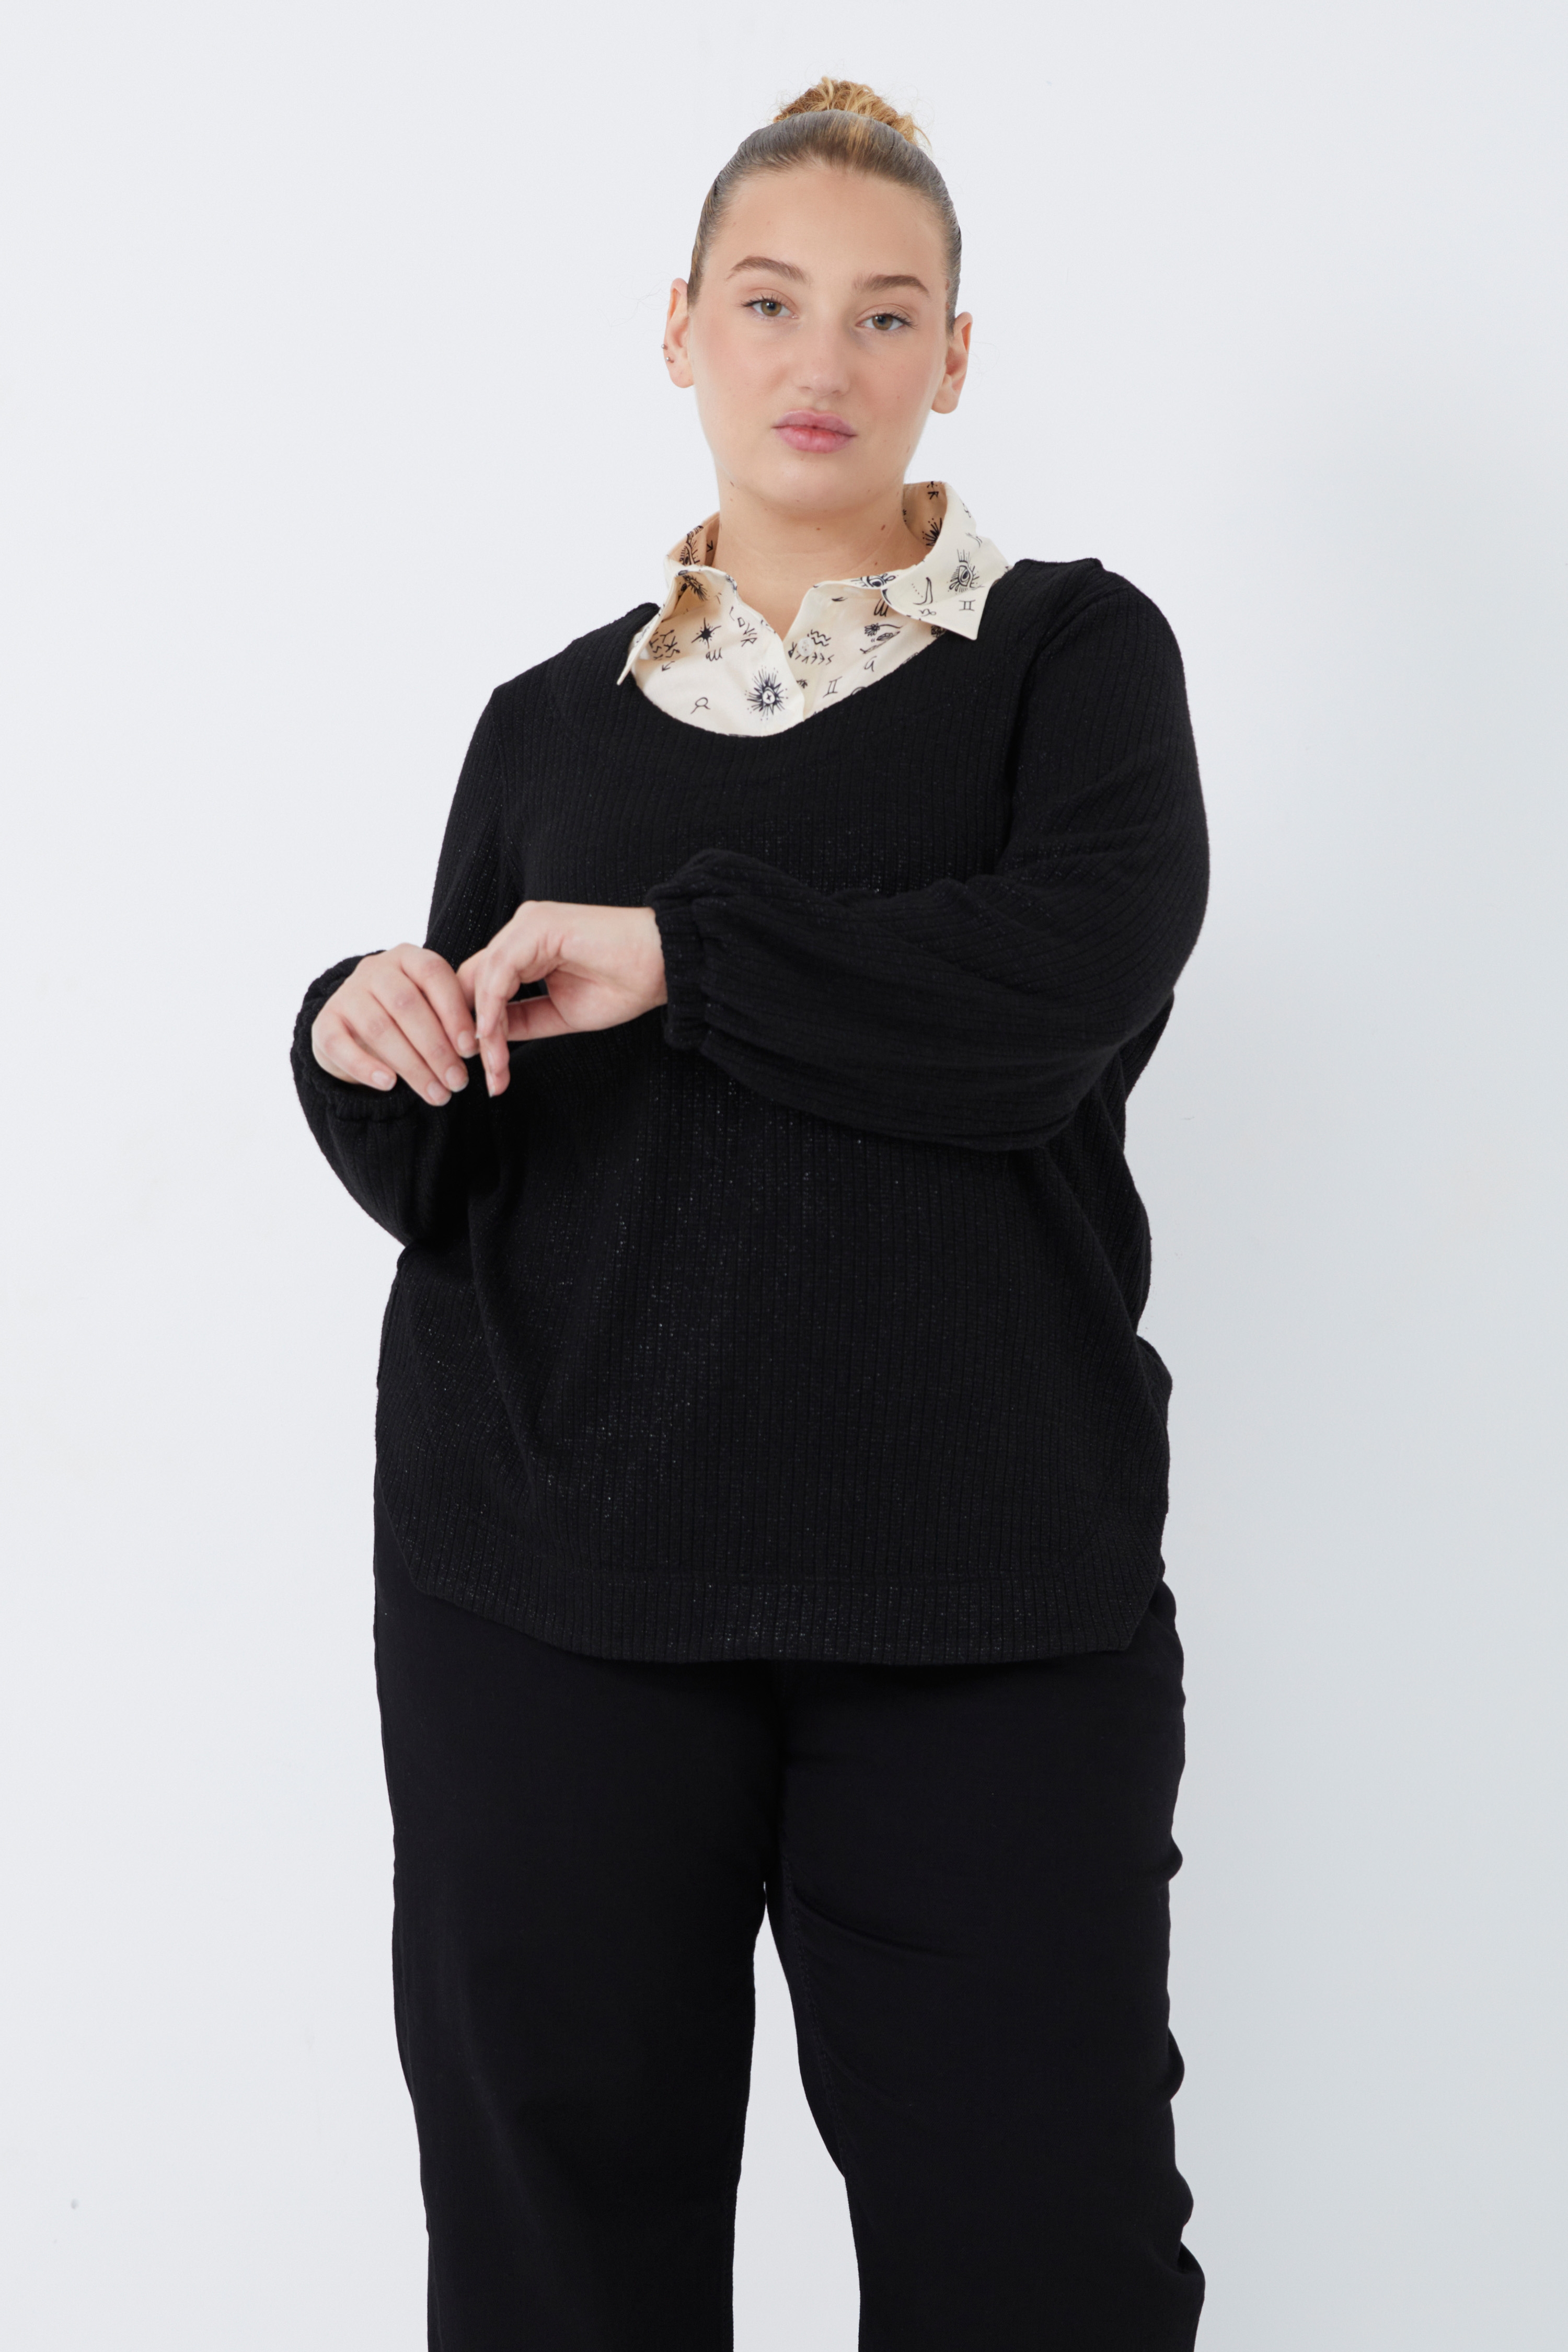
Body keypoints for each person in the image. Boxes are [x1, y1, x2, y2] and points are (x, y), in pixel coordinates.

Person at [292, 76, 1209, 2352]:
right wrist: (354, 1028)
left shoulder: (1072, 661)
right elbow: (466, 1151)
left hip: (983, 1587)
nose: (826, 357)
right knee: (555, 2271)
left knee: (1048, 2260)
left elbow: (1059, 997)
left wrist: (681, 954)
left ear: (954, 359)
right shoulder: (546, 719)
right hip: (550, 1588)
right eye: (773, 302)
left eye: (887, 313)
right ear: (682, 329)